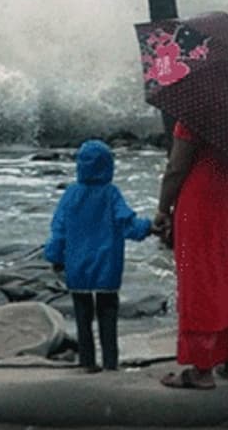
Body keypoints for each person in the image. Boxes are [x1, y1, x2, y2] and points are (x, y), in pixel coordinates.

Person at [153, 121, 228, 389]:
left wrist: (163, 208)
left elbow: (177, 168)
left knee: (201, 278)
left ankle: (202, 369)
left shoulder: (195, 113)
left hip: (203, 197)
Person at [45, 139, 153, 371]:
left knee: (83, 318)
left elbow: (59, 229)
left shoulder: (71, 194)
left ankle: (87, 363)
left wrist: (55, 257)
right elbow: (128, 225)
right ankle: (110, 364)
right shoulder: (111, 194)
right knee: (108, 316)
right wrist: (150, 227)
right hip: (107, 267)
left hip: (78, 268)